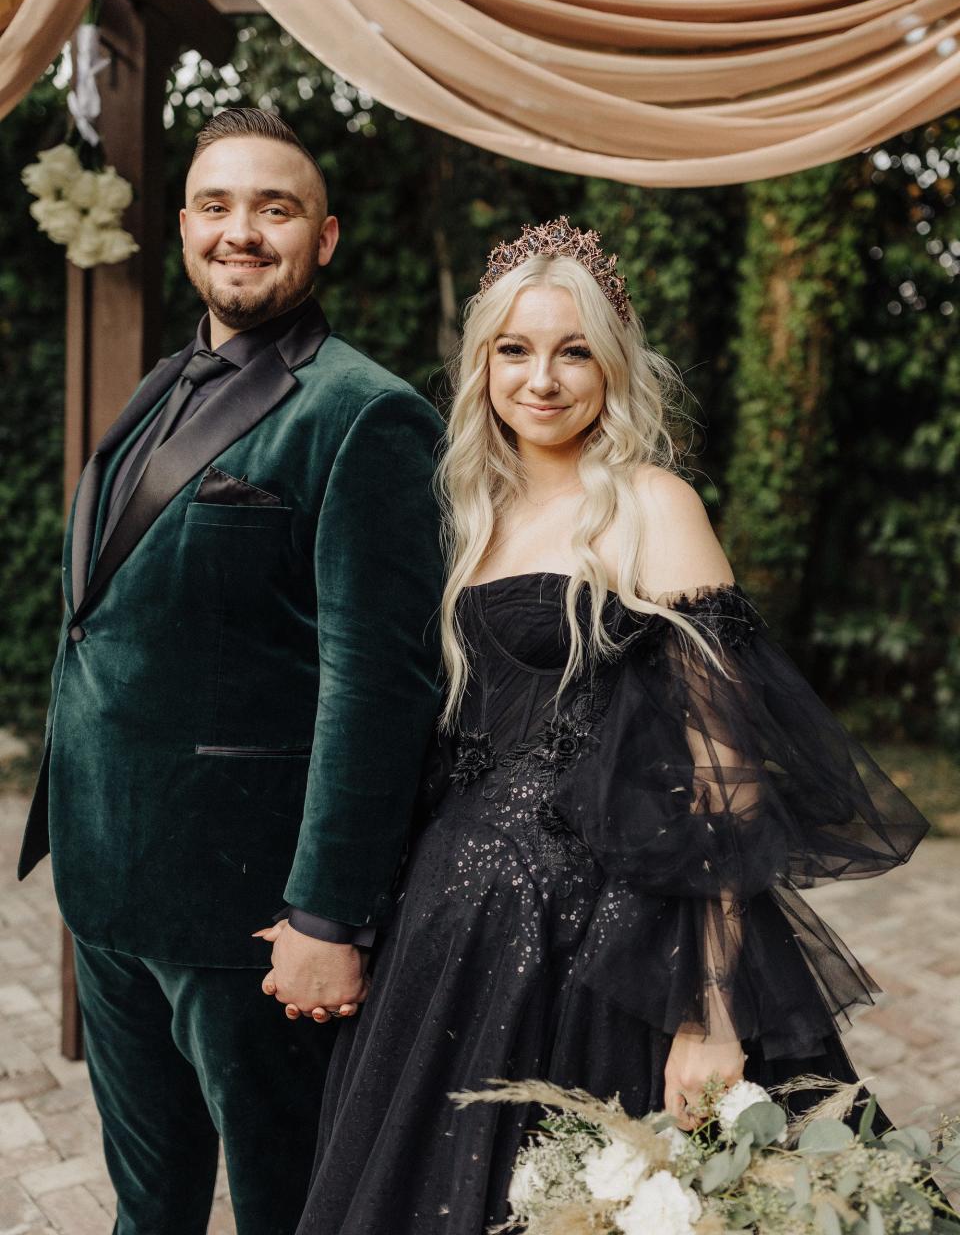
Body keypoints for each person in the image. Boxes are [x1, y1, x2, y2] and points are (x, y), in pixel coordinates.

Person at [296, 216, 929, 1235]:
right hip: (450, 934)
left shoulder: (651, 505)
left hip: (612, 945)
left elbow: (728, 774)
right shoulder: (462, 513)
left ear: (613, 367)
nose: (541, 379)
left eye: (573, 350)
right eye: (514, 350)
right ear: (481, 365)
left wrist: (713, 1014)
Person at [17, 108, 444, 1235]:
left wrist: (325, 914)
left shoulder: (367, 414)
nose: (240, 230)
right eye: (216, 205)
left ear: (327, 237)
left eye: (275, 207)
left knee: (286, 1206)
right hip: (110, 888)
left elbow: (379, 682)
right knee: (146, 1204)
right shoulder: (166, 381)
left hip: (253, 915)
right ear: (185, 227)